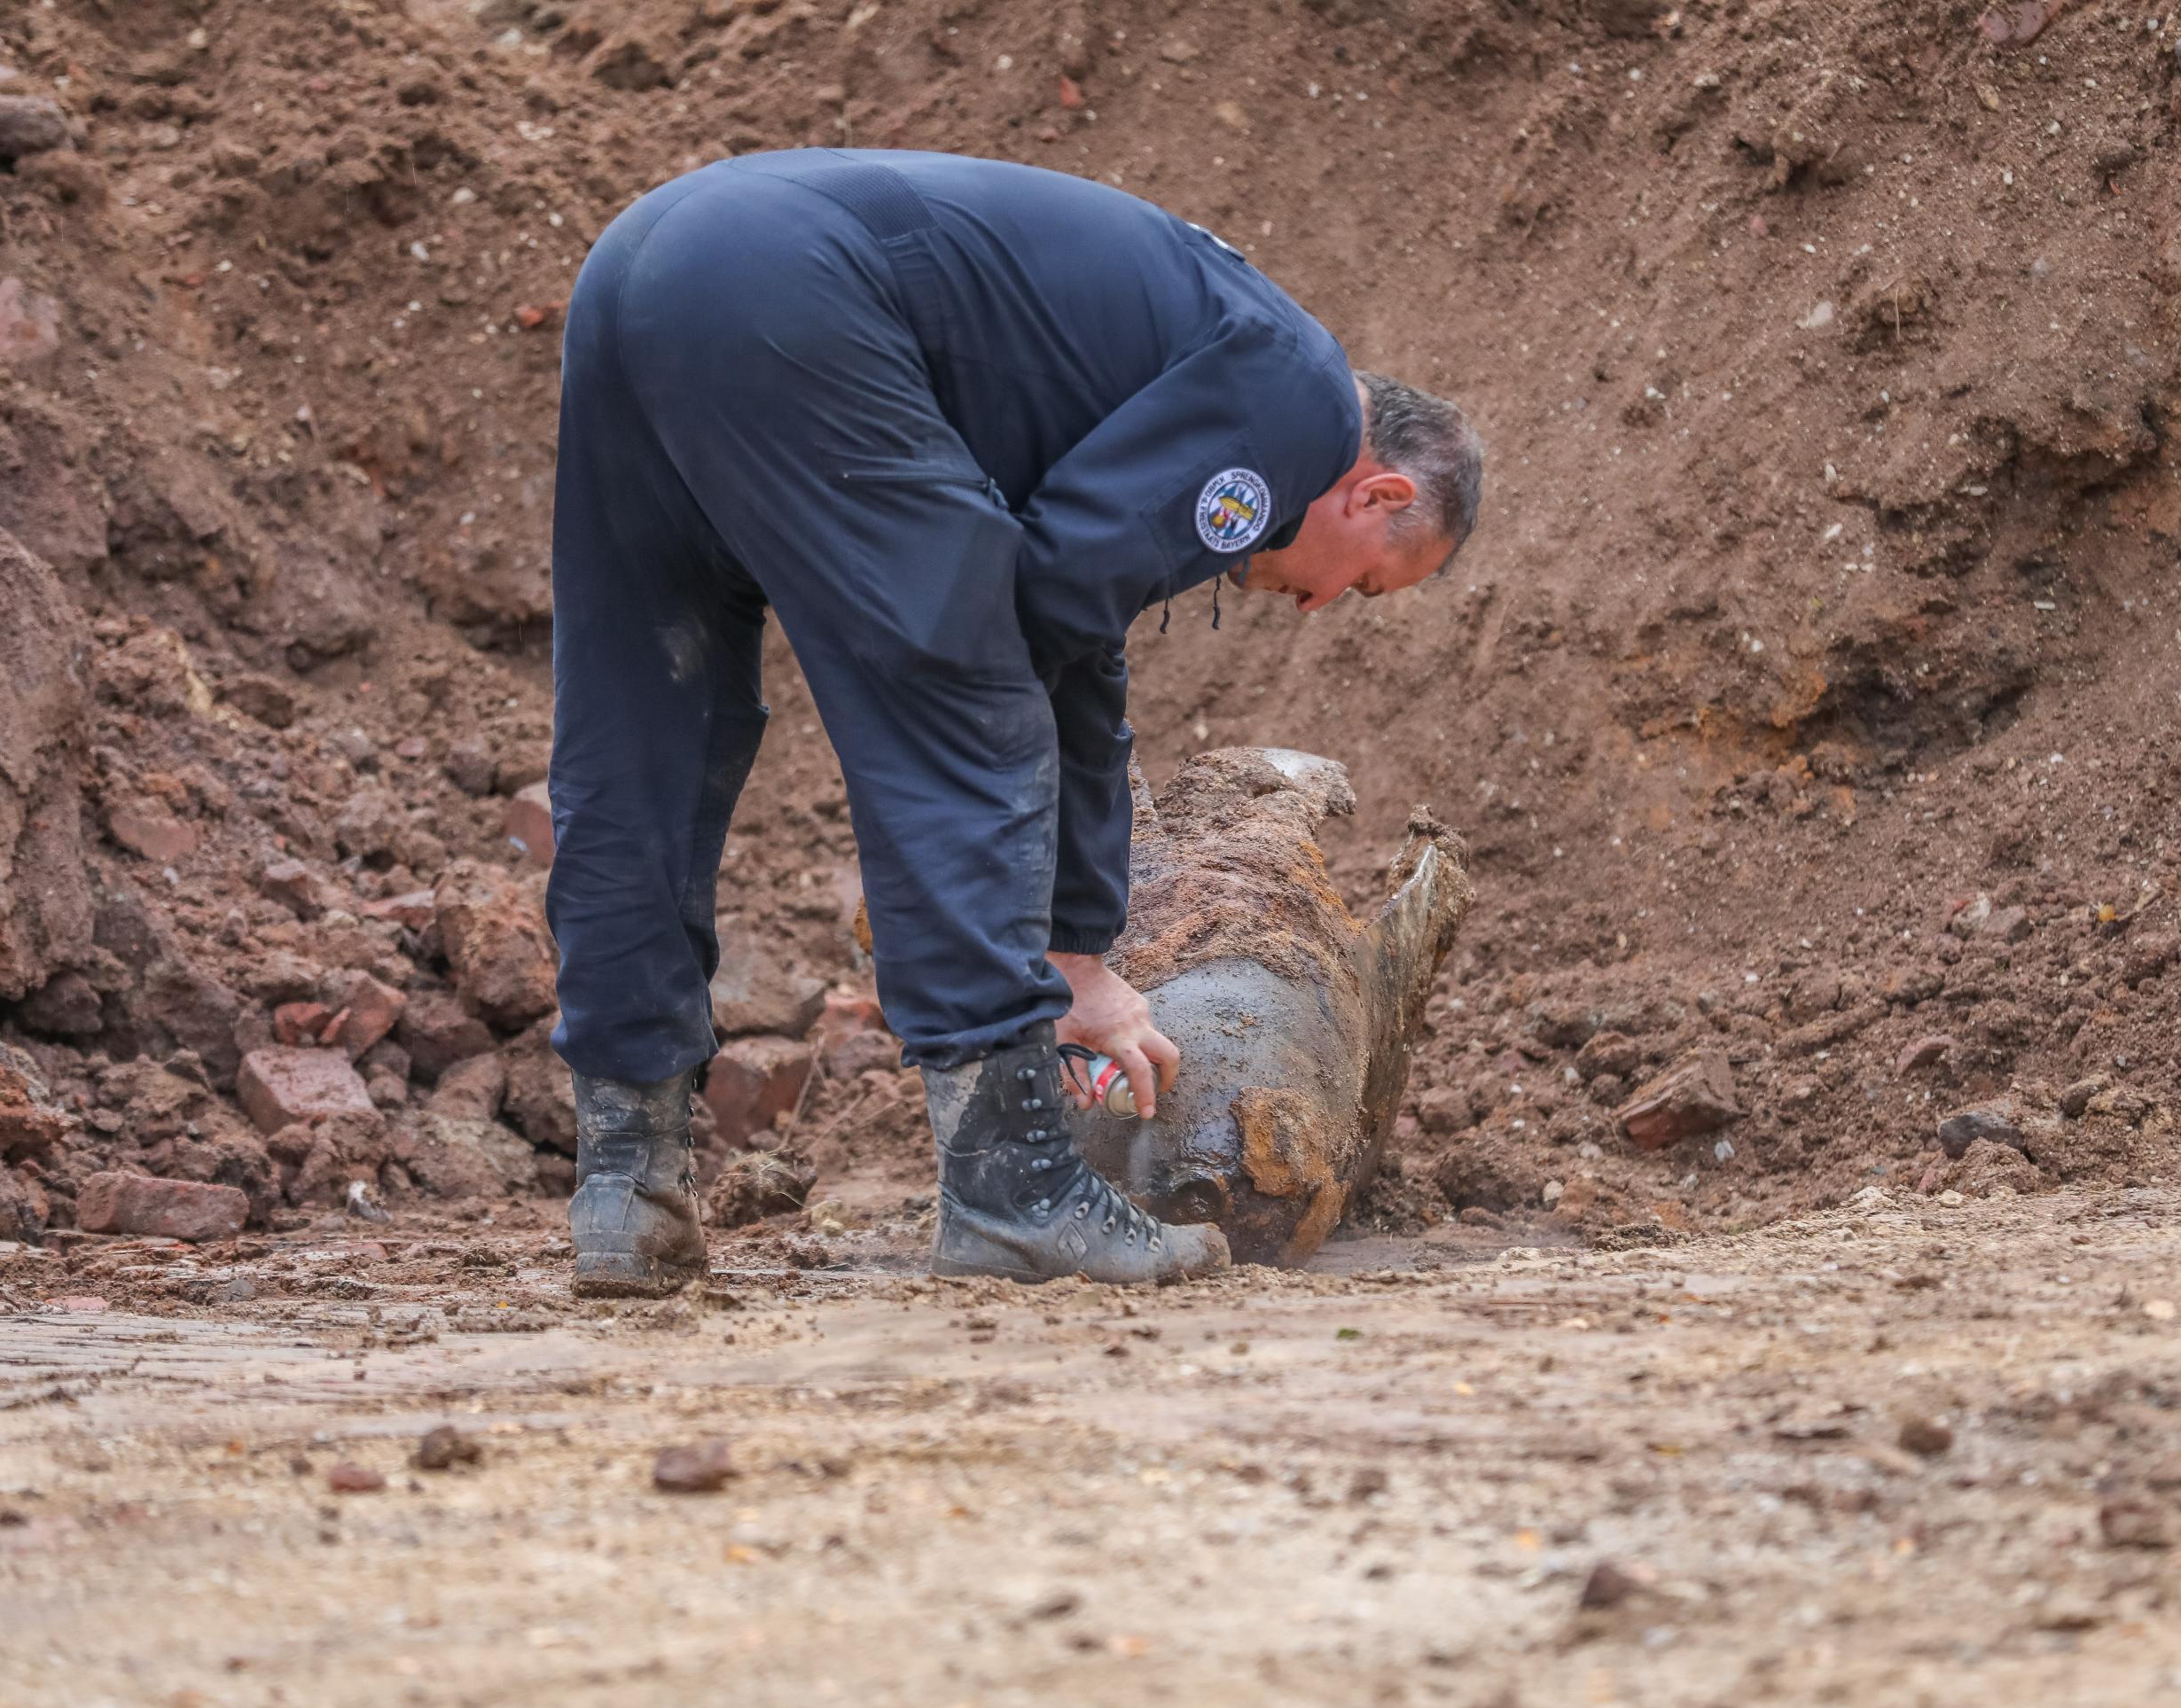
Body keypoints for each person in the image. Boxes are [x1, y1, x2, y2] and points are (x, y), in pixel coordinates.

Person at [545, 148, 1484, 1295]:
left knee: (653, 717)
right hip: (796, 287)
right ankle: (1012, 1189)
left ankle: (625, 1185)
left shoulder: (1205, 345)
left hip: (645, 260)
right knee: (962, 687)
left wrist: (1076, 938)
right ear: (1375, 493)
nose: (1321, 605)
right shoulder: (1292, 400)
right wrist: (1073, 955)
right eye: (1368, 583)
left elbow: (1067, 593)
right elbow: (1047, 621)